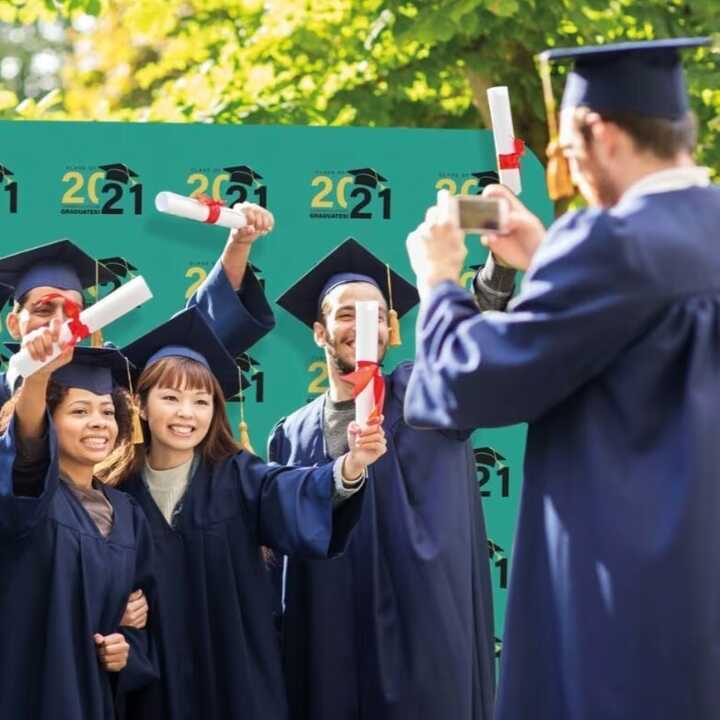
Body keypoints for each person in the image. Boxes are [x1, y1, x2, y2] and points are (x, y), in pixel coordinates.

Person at [404, 37, 720, 720]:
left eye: (571, 155)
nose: (571, 174)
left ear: (602, 134)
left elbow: (471, 379)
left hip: (625, 594)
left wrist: (437, 284)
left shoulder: (610, 242)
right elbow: (625, 331)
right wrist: (547, 258)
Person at [269, 236, 516, 720]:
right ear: (319, 332)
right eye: (346, 314)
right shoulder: (291, 435)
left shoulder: (424, 396)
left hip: (421, 642)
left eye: (376, 315)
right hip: (330, 643)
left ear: (391, 329)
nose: (363, 325)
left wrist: (499, 269)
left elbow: (469, 350)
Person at [115, 306, 386, 720]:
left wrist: (351, 465)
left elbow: (295, 491)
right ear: (140, 406)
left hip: (237, 684)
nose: (187, 413)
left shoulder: (239, 477)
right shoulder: (116, 494)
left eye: (201, 401)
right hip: (155, 686)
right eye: (170, 398)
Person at [0, 337, 155, 719]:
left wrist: (126, 649)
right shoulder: (29, 495)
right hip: (29, 691)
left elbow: (140, 622)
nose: (98, 422)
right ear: (49, 420)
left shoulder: (128, 513)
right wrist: (37, 379)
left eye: (106, 411)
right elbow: (27, 453)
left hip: (93, 699)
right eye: (79, 411)